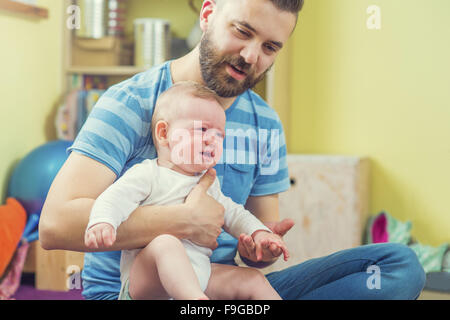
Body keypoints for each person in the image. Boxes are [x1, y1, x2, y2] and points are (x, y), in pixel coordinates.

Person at [40, 0, 426, 300]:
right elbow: (54, 225)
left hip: (219, 286)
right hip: (135, 291)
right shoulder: (129, 102)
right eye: (242, 31)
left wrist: (262, 247)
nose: (251, 56)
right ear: (208, 14)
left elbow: (253, 247)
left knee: (397, 266)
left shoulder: (265, 123)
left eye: (270, 47)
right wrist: (181, 220)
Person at [84, 82, 288, 300]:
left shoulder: (209, 182)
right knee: (165, 243)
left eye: (219, 135)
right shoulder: (148, 174)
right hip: (148, 288)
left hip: (200, 278)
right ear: (163, 133)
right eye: (202, 129)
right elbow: (114, 197)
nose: (212, 140)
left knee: (254, 280)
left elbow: (235, 213)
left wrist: (260, 234)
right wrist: (103, 222)